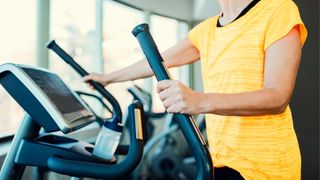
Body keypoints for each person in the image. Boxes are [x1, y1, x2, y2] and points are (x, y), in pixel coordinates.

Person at [84, 0, 307, 179]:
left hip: (265, 168)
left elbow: (277, 96)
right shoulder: (207, 30)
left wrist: (198, 101)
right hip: (218, 160)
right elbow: (158, 61)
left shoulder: (278, 9)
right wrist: (107, 78)